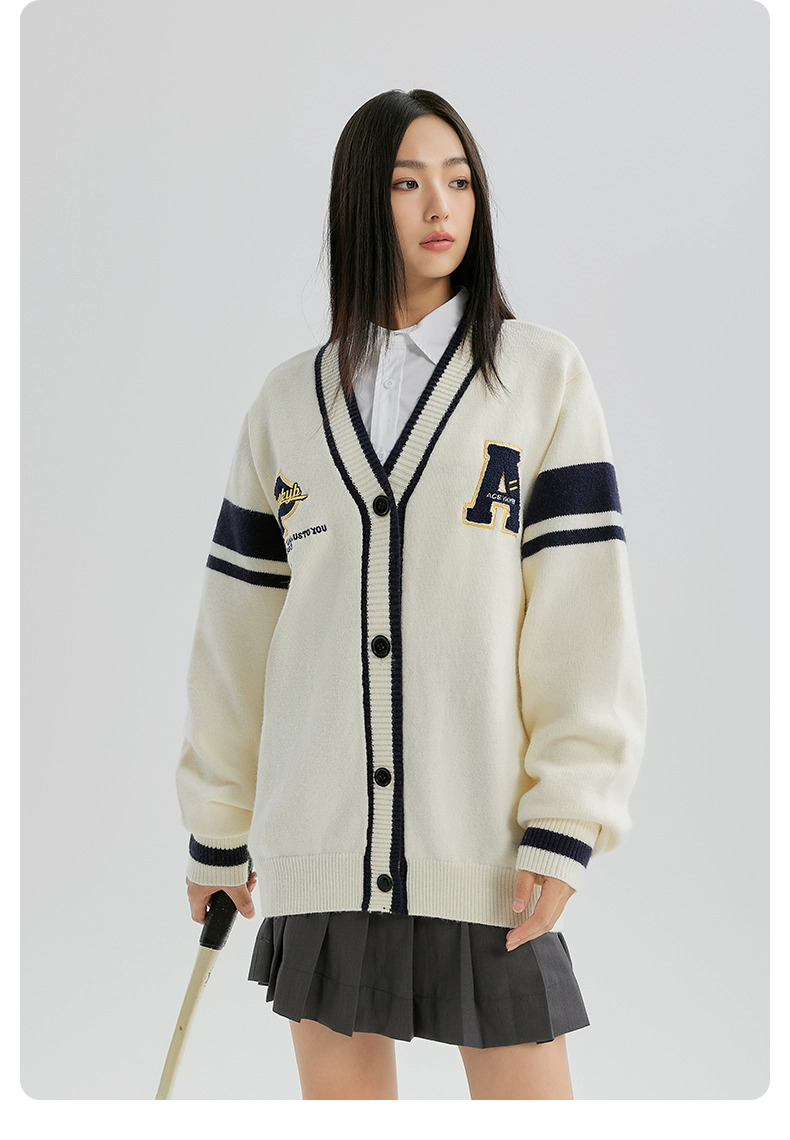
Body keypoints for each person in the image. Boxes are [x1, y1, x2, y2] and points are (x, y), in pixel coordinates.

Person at [175, 88, 647, 1100]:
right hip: (321, 847)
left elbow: (584, 622)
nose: (440, 205)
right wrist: (217, 828)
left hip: (486, 850)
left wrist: (567, 818)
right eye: (406, 182)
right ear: (361, 201)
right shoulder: (285, 405)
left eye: (459, 180)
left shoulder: (541, 379)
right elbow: (236, 630)